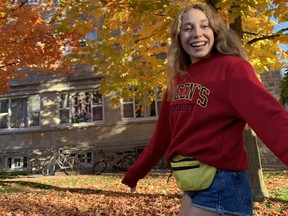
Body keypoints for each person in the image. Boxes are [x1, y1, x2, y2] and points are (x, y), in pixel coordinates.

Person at [122, 3, 288, 216]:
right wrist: (135, 173)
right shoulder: (178, 80)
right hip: (191, 182)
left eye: (204, 26)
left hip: (222, 183)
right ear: (179, 37)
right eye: (188, 28)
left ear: (215, 31)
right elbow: (162, 137)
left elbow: (271, 118)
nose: (197, 34)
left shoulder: (232, 69)